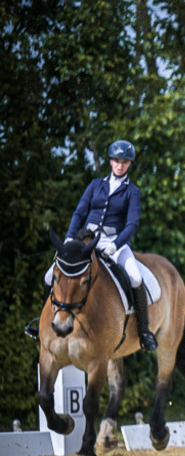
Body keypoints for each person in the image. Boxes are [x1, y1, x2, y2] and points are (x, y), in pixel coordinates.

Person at [25, 140, 158, 351]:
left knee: (135, 277)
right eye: (116, 161)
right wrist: (69, 238)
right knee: (49, 276)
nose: (120, 165)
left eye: (124, 162)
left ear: (129, 164)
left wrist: (115, 245)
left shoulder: (132, 192)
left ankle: (144, 331)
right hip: (84, 240)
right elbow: (79, 212)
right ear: (110, 161)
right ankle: (43, 325)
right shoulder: (96, 184)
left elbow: (132, 224)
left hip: (115, 243)